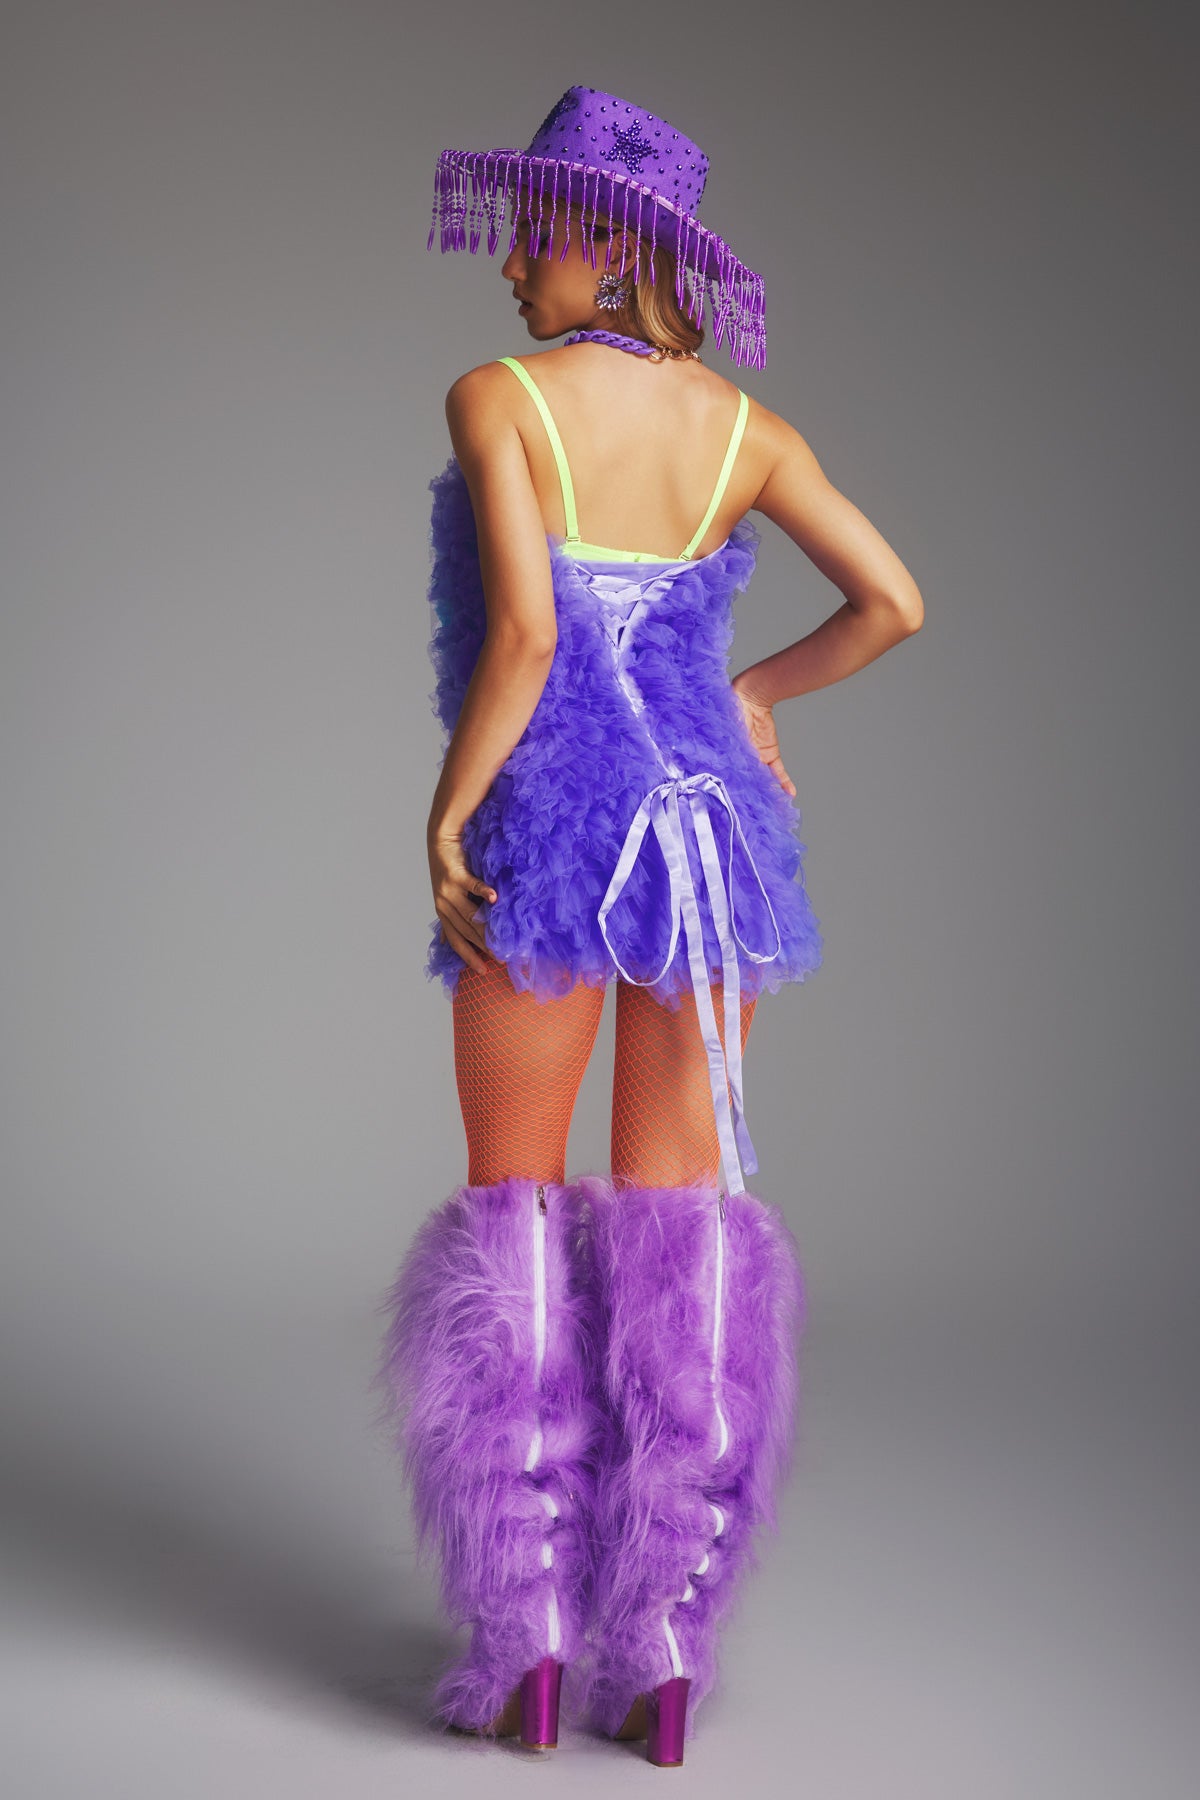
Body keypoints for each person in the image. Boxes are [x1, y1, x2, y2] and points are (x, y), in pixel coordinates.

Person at [378, 85, 924, 1766]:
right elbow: (895, 603)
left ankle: (529, 1642)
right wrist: (753, 694)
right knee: (684, 1220)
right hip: (709, 844)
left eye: (531, 233)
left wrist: (450, 809)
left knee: (517, 1207)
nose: (510, 266)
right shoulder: (747, 431)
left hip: (554, 835)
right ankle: (665, 1647)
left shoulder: (501, 399)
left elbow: (526, 639)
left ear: (605, 247)